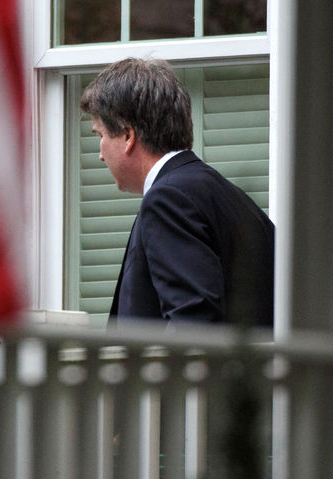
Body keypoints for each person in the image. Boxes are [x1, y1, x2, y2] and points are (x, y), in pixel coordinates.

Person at [80, 58, 274, 326]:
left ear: (127, 135)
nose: (100, 154)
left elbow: (192, 326)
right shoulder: (227, 196)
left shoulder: (168, 200)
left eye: (99, 135)